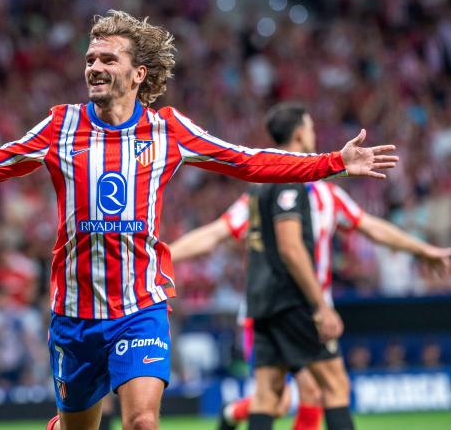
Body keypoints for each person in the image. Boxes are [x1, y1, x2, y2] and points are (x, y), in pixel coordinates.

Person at [0, 11, 398, 430]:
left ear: (139, 73)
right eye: (90, 58)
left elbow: (248, 160)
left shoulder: (169, 130)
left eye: (108, 59)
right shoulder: (60, 126)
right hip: (74, 315)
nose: (94, 67)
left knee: (142, 421)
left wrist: (332, 163)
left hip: (140, 308)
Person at [169, 102, 451, 430]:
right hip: (299, 302)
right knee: (328, 387)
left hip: (260, 305)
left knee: (272, 395)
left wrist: (421, 250)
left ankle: (232, 415)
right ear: (301, 133)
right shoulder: (298, 189)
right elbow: (285, 244)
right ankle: (234, 414)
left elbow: (373, 226)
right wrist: (320, 305)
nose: (315, 134)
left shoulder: (265, 193)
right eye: (312, 128)